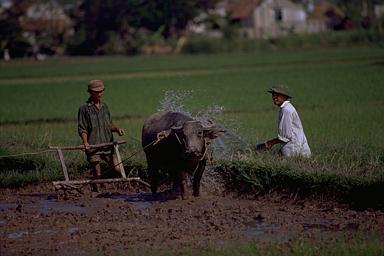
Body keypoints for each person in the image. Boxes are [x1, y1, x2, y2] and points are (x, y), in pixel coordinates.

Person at [78, 79, 125, 180]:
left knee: (118, 168)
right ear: (90, 92)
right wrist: (85, 142)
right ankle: (96, 191)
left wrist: (117, 129)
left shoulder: (105, 107)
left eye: (101, 91)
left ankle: (118, 186)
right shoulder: (84, 109)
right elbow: (83, 128)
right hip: (93, 146)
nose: (99, 94)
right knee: (97, 172)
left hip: (108, 145)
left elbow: (109, 124)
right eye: (96, 92)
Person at [257, 84, 311, 157]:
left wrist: (269, 143)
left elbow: (285, 137)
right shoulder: (285, 108)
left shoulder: (286, 110)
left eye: (277, 95)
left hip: (294, 151)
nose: (274, 97)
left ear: (285, 96)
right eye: (273, 94)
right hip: (297, 149)